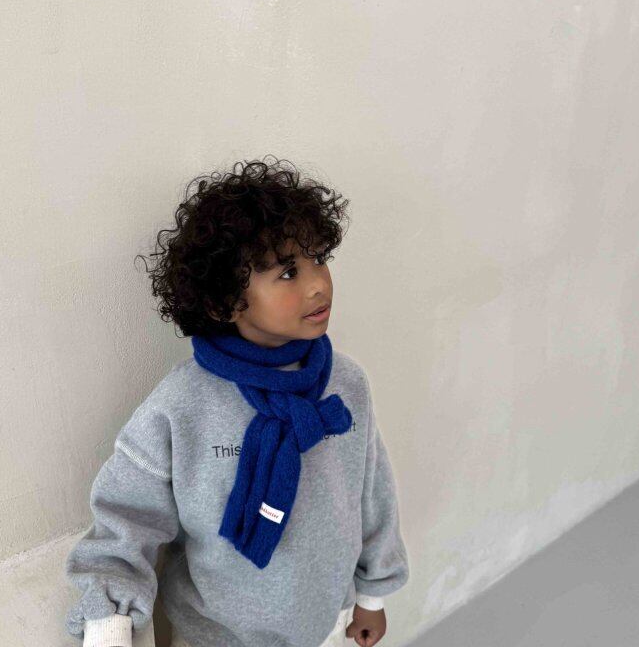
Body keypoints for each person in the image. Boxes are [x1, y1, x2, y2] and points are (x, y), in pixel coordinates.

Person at [64, 157, 410, 647]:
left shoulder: (346, 383)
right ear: (224, 301)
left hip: (327, 626)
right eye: (287, 272)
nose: (317, 283)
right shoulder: (183, 405)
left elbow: (371, 493)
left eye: (318, 258)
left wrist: (373, 594)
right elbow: (127, 516)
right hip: (215, 636)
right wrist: (110, 621)